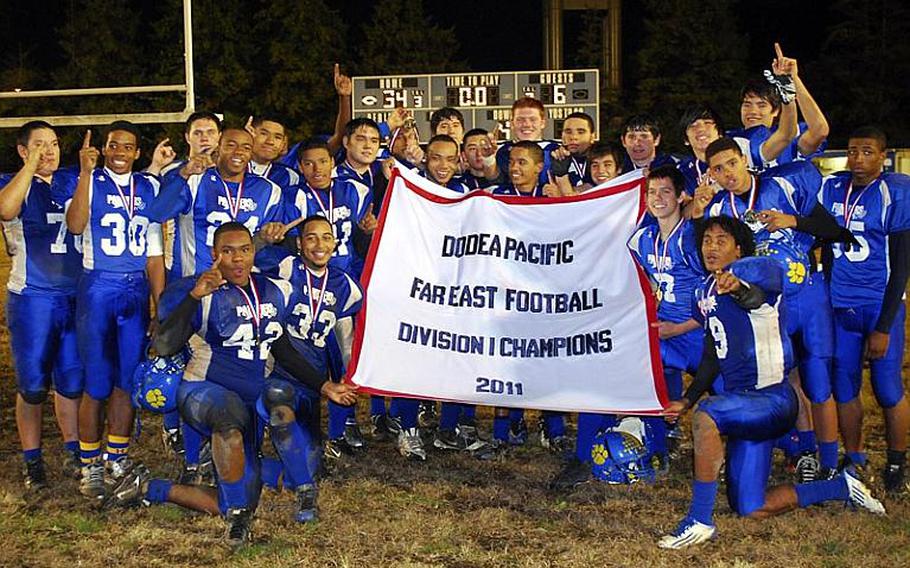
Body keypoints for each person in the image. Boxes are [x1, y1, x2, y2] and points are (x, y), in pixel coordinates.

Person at [107, 223, 357, 545]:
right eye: (228, 251)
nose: (237, 259)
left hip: (251, 397)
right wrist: (195, 297)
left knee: (277, 424)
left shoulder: (273, 290)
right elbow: (166, 345)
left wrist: (325, 386)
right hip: (205, 390)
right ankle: (237, 509)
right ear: (215, 254)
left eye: (244, 250)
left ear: (253, 252)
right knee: (229, 427)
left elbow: (282, 349)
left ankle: (151, 487)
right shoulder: (202, 292)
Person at [658, 216, 884, 550]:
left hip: (773, 400)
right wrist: (686, 400)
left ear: (739, 246)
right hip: (744, 408)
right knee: (750, 508)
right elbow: (711, 354)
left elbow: (755, 293)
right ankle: (839, 487)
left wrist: (739, 286)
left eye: (722, 240)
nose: (712, 247)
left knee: (708, 415)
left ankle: (700, 519)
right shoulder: (702, 290)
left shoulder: (760, 268)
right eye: (707, 240)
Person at [693, 137, 848, 480]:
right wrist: (698, 214)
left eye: (731, 163)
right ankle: (804, 450)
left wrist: (792, 221)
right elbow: (704, 256)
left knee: (819, 382)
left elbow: (832, 230)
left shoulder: (783, 184)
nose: (727, 173)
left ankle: (831, 462)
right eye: (717, 169)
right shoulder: (719, 209)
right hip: (765, 308)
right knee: (783, 378)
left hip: (806, 297)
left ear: (743, 160)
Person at [65, 122, 165, 499]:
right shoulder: (89, 178)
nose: (120, 151)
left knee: (127, 380)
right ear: (104, 149)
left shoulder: (149, 186)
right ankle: (90, 464)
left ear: (137, 152)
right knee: (97, 383)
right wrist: (86, 173)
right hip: (99, 285)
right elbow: (76, 226)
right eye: (113, 145)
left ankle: (116, 456)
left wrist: (160, 303)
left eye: (127, 146)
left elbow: (155, 254)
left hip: (135, 288)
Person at [818, 126, 910, 493]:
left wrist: (885, 325)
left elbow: (902, 265)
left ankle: (896, 461)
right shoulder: (835, 188)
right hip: (841, 304)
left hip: (877, 304)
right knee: (844, 387)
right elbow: (825, 245)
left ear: (883, 156)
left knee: (888, 388)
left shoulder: (894, 192)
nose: (858, 158)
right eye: (854, 151)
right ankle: (854, 456)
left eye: (867, 151)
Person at [0, 121, 83, 489]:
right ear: (22, 150)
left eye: (53, 144)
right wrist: (30, 166)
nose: (49, 151)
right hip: (32, 297)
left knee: (70, 381)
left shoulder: (71, 179)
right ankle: (32, 460)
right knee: (32, 386)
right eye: (39, 145)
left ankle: (72, 450)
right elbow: (5, 210)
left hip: (74, 296)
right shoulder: (13, 181)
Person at [729, 44, 827, 171]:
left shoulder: (793, 134)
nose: (752, 111)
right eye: (747, 104)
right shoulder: (729, 139)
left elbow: (819, 130)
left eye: (761, 105)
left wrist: (793, 79)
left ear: (776, 110)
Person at [244, 114, 300, 192]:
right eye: (264, 134)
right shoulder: (229, 167)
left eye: (277, 137)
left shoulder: (289, 176)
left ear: (283, 143)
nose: (270, 141)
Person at [677, 104, 724, 196]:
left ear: (720, 133)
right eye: (692, 125)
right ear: (686, 140)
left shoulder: (739, 153)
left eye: (707, 123)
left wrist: (716, 188)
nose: (700, 129)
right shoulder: (683, 172)